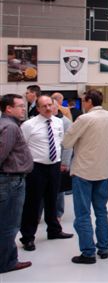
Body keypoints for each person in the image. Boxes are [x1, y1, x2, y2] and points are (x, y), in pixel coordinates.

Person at [63, 90, 108, 264]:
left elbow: (66, 142)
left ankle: (88, 253)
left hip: (84, 171)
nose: (83, 104)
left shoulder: (84, 119)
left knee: (83, 214)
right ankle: (103, 248)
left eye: (84, 101)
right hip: (103, 170)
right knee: (101, 211)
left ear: (89, 101)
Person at [19, 95, 73, 251]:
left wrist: (63, 162)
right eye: (44, 106)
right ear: (38, 108)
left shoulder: (58, 122)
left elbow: (60, 143)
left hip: (54, 166)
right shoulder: (29, 125)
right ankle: (28, 237)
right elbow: (22, 147)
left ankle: (54, 230)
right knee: (33, 203)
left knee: (52, 200)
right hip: (36, 168)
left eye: (50, 105)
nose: (48, 108)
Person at [0, 94, 33, 273]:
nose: (23, 109)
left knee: (7, 223)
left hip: (10, 180)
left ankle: (8, 259)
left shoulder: (7, 124)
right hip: (11, 181)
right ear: (8, 108)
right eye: (19, 106)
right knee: (9, 225)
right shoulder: (10, 127)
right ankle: (6, 263)